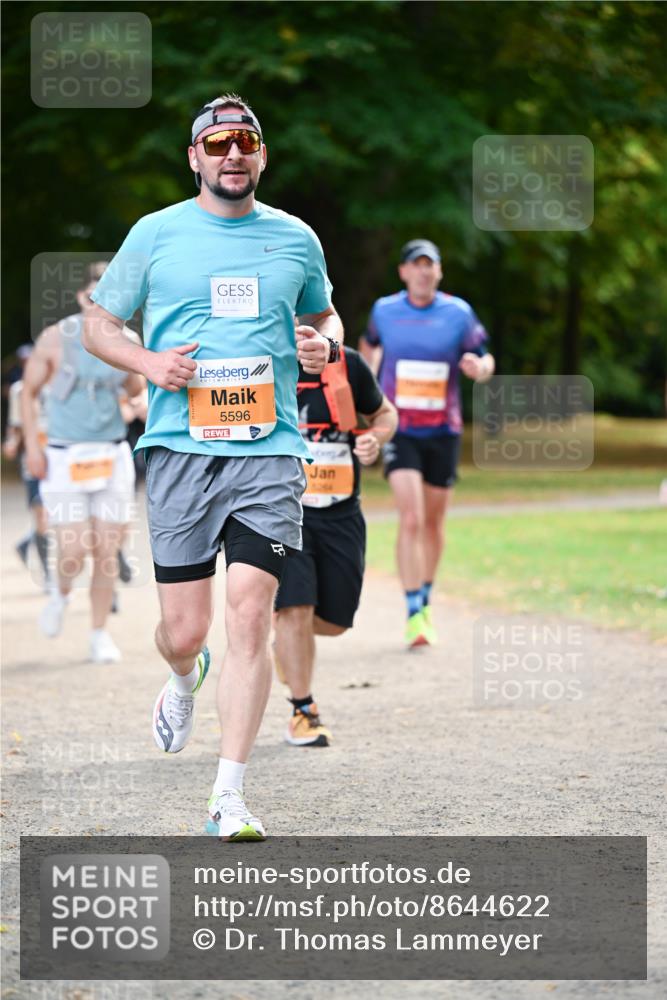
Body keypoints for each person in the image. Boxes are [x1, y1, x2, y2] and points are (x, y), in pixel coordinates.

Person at [83, 93, 343, 841]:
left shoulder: (295, 238)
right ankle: (180, 674)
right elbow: (99, 321)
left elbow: (323, 316)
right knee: (185, 629)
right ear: (195, 156)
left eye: (247, 141)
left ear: (261, 154)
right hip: (179, 451)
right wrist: (147, 361)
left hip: (268, 451)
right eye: (218, 141)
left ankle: (227, 795)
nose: (234, 153)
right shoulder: (156, 234)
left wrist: (323, 344)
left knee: (249, 614)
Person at [360, 239, 495, 649]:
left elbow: (485, 358)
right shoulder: (385, 310)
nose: (423, 272)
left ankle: (426, 597)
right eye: (416, 265)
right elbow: (369, 347)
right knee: (412, 518)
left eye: (430, 266)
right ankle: (413, 608)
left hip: (443, 431)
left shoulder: (458, 314)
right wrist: (367, 393)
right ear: (403, 272)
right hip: (401, 429)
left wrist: (479, 368)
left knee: (434, 523)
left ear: (439, 272)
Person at [274, 345, 397, 746]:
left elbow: (386, 414)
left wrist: (375, 439)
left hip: (341, 511)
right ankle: (303, 710)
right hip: (283, 510)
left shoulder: (347, 364)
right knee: (296, 607)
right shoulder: (261, 360)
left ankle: (285, 642)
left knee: (335, 622)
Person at [22, 262, 144, 663]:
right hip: (64, 454)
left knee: (107, 551)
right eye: (92, 297)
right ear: (79, 298)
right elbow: (28, 392)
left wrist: (135, 386)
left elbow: (136, 390)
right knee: (73, 550)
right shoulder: (54, 339)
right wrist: (33, 448)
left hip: (110, 453)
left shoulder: (125, 339)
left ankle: (98, 634)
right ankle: (60, 592)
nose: (98, 304)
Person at [3, 359, 51, 589]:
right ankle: (47, 573)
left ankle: (26, 543)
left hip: (62, 462)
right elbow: (15, 425)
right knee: (41, 515)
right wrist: (12, 443)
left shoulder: (61, 385)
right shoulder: (19, 390)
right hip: (33, 462)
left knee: (58, 518)